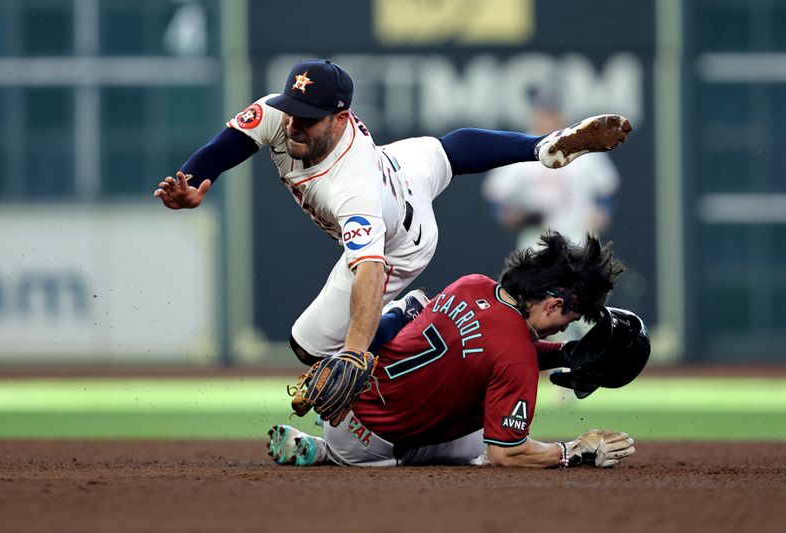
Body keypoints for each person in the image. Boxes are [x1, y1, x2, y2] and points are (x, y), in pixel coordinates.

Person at [155, 58, 632, 420]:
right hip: (401, 166)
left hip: (403, 239)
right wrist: (193, 182)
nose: (294, 124)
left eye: (309, 118)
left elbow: (370, 267)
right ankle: (543, 146)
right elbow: (228, 145)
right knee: (444, 151)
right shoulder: (278, 114)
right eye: (292, 110)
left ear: (341, 118)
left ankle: (404, 312)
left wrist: (357, 351)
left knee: (309, 348)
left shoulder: (351, 190)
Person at [267, 232, 645, 468]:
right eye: (569, 317)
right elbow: (506, 453)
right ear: (552, 305)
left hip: (347, 399)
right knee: (485, 444)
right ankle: (324, 452)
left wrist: (564, 353)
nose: (565, 326)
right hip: (368, 447)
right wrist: (573, 450)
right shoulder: (516, 359)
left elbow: (492, 348)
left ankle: (329, 429)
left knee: (414, 307)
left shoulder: (472, 285)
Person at [482, 95, 621, 252]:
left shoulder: (585, 145)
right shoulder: (520, 147)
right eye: (544, 115)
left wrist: (604, 211)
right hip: (537, 236)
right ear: (535, 117)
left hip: (579, 234)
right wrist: (511, 214)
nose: (549, 120)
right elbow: (496, 195)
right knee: (534, 274)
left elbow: (607, 188)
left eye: (552, 114)